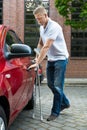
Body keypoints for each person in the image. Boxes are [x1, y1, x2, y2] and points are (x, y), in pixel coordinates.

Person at [29, 6, 70, 121]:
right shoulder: (42, 27)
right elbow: (41, 43)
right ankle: (65, 102)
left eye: (40, 18)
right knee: (50, 84)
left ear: (46, 15)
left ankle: (55, 112)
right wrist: (36, 57)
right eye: (36, 19)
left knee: (57, 86)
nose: (38, 21)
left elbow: (47, 46)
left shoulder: (54, 27)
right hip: (51, 59)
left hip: (61, 59)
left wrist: (38, 63)